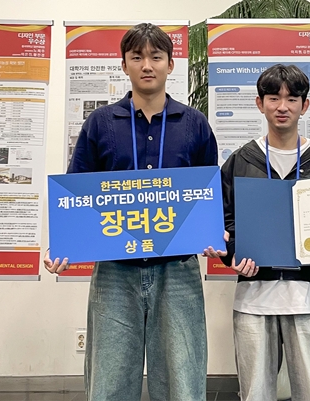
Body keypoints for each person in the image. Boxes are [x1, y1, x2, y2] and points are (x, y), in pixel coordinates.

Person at [44, 23, 217, 400]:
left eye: (156, 56)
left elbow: (207, 194)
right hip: (115, 271)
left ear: (170, 64)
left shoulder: (195, 124)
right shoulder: (101, 123)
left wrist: (210, 233)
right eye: (137, 57)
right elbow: (77, 191)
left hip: (177, 269)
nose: (147, 65)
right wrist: (63, 245)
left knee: (183, 383)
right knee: (109, 383)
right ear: (124, 65)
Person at [204, 64, 310, 401]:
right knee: (255, 394)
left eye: (292, 99)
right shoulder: (240, 161)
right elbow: (224, 219)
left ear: (304, 105)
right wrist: (232, 253)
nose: (283, 106)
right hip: (253, 297)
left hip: (309, 297)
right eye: (273, 98)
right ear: (260, 103)